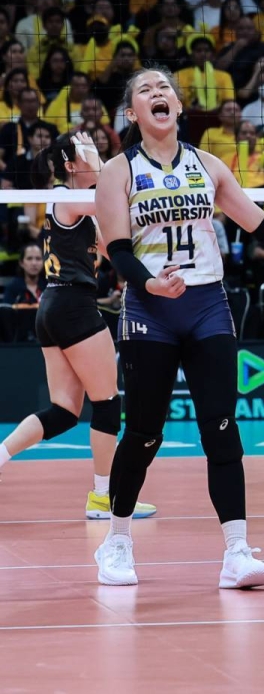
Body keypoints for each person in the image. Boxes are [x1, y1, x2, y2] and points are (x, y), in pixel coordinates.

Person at [92, 67, 264, 588]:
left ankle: (236, 551)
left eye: (164, 88)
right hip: (151, 309)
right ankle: (118, 540)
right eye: (145, 90)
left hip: (207, 306)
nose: (158, 94)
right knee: (145, 431)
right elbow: (119, 252)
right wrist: (150, 286)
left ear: (177, 104)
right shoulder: (117, 171)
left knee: (222, 428)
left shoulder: (208, 165)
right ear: (132, 113)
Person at [0, 133, 156, 521]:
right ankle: (103, 497)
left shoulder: (80, 208)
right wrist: (108, 165)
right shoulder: (68, 197)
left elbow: (114, 248)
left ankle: (0, 455)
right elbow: (109, 193)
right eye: (89, 152)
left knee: (65, 411)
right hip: (71, 306)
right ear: (70, 166)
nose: (99, 156)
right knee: (107, 403)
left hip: (54, 307)